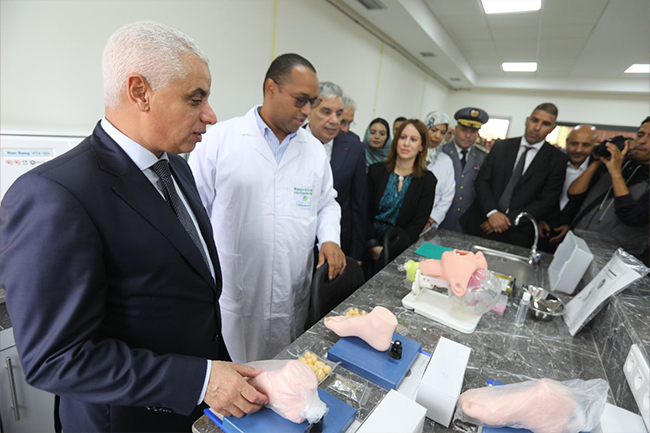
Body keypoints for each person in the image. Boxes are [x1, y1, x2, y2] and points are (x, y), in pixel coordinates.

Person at [0, 21, 268, 432]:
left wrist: (217, 372)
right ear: (139, 91)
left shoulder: (176, 168)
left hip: (194, 408)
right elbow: (56, 358)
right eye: (195, 99)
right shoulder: (56, 195)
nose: (211, 116)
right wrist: (200, 380)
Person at [189, 54, 345, 364]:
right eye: (300, 100)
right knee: (237, 379)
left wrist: (329, 238)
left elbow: (327, 202)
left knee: (283, 377)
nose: (306, 111)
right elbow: (192, 214)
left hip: (292, 287)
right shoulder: (220, 140)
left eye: (311, 102)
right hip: (236, 287)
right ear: (271, 88)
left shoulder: (313, 150)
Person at [462, 103, 567, 248]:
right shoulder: (501, 146)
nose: (537, 127)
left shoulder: (557, 160)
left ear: (552, 128)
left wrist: (505, 221)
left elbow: (547, 200)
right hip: (480, 223)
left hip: (517, 234)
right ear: (527, 120)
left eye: (545, 124)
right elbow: (482, 181)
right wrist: (492, 213)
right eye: (535, 120)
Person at [568, 117, 650, 259]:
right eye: (641, 134)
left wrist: (616, 173)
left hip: (615, 262)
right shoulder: (619, 162)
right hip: (578, 246)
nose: (642, 141)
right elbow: (574, 194)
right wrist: (597, 161)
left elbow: (632, 216)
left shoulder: (616, 168)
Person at [306, 82, 367, 263]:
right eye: (326, 112)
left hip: (337, 246)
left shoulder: (354, 149)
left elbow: (359, 204)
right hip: (296, 244)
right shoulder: (291, 141)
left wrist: (356, 255)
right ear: (309, 111)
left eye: (339, 114)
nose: (334, 120)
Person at [366, 119, 436, 267]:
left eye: (413, 139)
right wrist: (373, 246)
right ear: (396, 141)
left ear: (422, 147)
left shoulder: (427, 181)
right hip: (367, 247)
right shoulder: (376, 171)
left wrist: (389, 251)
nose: (406, 144)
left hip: (400, 254)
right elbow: (364, 212)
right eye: (403, 138)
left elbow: (417, 223)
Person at [539, 125, 598, 246]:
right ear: (567, 142)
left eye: (585, 145)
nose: (578, 150)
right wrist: (539, 218)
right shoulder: (551, 162)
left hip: (575, 239)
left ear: (594, 145)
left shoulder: (599, 172)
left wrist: (571, 226)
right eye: (574, 144)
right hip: (541, 232)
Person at [438, 107, 489, 232]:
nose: (468, 135)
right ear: (456, 129)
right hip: (440, 219)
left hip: (468, 223)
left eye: (473, 131)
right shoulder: (441, 152)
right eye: (464, 129)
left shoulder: (483, 157)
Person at [422, 111, 455, 234]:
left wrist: (431, 220)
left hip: (429, 227)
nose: (437, 136)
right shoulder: (413, 155)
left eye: (442, 132)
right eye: (434, 130)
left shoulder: (445, 161)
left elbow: (448, 195)